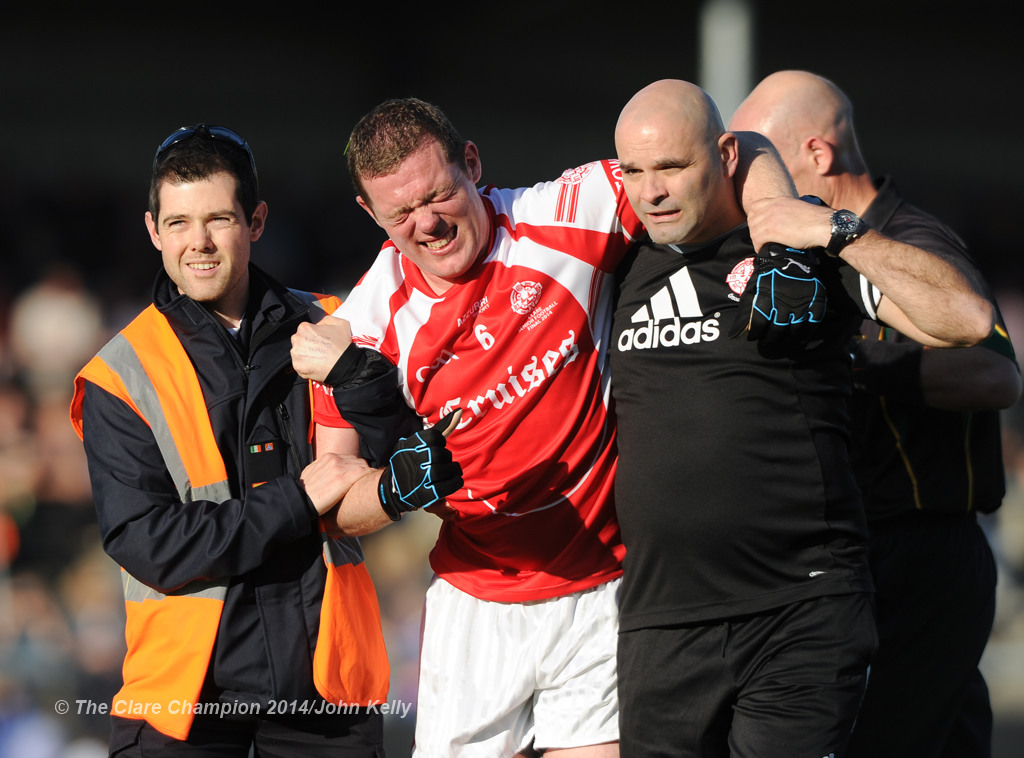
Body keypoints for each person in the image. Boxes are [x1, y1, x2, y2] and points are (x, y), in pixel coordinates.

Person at [288, 96, 794, 757]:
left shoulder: (565, 212)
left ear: (473, 163)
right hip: (477, 607)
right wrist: (392, 492)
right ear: (369, 213)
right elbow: (329, 501)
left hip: (605, 590)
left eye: (439, 195)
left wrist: (786, 237)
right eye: (400, 213)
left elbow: (739, 150)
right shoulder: (360, 328)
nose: (428, 224)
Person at [609, 79, 995, 758]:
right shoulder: (614, 259)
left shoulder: (803, 251)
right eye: (634, 172)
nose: (652, 191)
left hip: (801, 614)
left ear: (723, 155)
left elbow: (968, 325)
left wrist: (832, 230)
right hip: (660, 624)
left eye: (672, 167)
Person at [69, 123, 460, 757]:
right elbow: (149, 544)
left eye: (219, 219)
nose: (198, 243)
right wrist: (296, 502)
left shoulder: (342, 325)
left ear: (256, 221)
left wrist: (362, 383)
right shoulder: (121, 372)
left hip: (328, 699)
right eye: (178, 223)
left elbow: (414, 467)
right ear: (152, 230)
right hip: (184, 707)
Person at [730, 70, 1022, 758]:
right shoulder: (799, 251)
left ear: (817, 156)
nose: (748, 183)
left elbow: (995, 373)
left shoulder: (911, 241)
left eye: (760, 158)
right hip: (857, 552)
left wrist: (852, 360)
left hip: (919, 552)